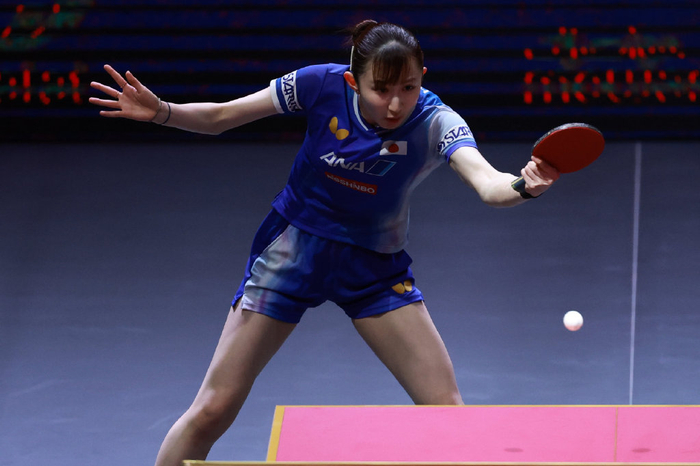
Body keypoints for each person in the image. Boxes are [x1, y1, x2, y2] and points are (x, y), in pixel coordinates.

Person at [90, 19, 559, 466]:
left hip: (373, 267)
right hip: (291, 253)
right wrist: (162, 111)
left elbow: (488, 183)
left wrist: (524, 185)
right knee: (214, 408)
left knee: (447, 411)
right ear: (354, 83)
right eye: (382, 89)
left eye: (409, 87)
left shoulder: (436, 120)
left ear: (423, 78)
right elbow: (222, 117)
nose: (396, 104)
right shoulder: (318, 85)